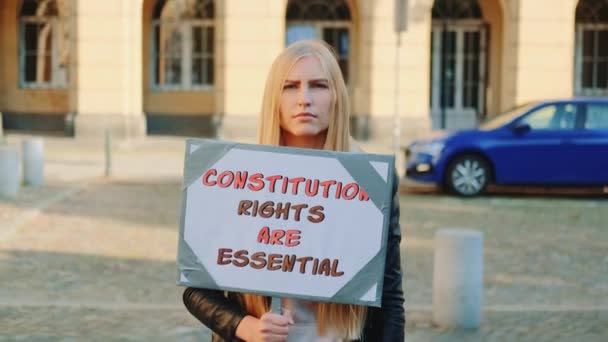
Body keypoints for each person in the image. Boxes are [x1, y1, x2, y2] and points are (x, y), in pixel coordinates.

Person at [183, 40, 405, 342]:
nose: (304, 99)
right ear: (274, 98)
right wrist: (244, 326)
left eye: (318, 86)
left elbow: (389, 296)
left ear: (337, 96)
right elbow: (196, 289)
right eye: (290, 86)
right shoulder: (237, 174)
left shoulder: (370, 180)